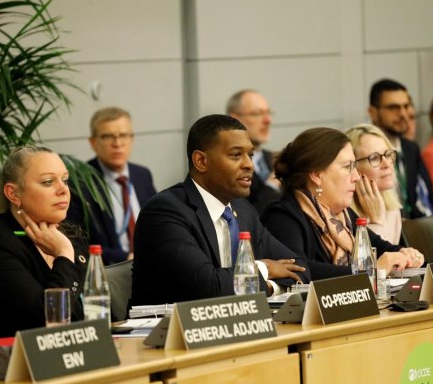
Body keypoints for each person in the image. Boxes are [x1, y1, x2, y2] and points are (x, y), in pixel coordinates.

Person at [130, 114, 309, 305]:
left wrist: (271, 287)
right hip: (166, 332)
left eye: (250, 155)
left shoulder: (242, 210)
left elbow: (300, 269)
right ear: (201, 161)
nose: (248, 165)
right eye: (235, 155)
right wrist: (263, 269)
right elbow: (210, 289)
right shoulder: (164, 212)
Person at [261, 128, 424, 281]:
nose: (356, 177)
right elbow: (301, 269)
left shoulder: (341, 215)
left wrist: (404, 253)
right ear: (317, 175)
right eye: (347, 167)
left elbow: (379, 246)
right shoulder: (283, 217)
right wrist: (371, 272)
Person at [0, 146, 87, 340]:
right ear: (13, 194)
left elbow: (92, 314)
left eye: (65, 180)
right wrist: (63, 255)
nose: (63, 190)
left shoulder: (69, 235)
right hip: (10, 366)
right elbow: (49, 320)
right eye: (48, 182)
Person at [67, 107, 156, 265]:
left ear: (132, 139)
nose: (117, 143)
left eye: (123, 135)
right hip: (111, 270)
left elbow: (159, 224)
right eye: (108, 136)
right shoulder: (80, 183)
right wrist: (126, 259)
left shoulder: (142, 175)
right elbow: (77, 243)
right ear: (93, 142)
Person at [368, 79, 433, 219]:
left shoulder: (411, 148)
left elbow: (430, 199)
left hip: (414, 233)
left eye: (406, 106)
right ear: (373, 112)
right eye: (394, 108)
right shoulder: (362, 153)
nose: (403, 114)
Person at [345, 124, 403, 244]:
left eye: (388, 154)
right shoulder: (343, 215)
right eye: (375, 158)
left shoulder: (393, 210)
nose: (387, 164)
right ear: (353, 168)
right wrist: (376, 222)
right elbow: (366, 262)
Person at [227, 90, 281, 214]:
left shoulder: (275, 159)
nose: (268, 120)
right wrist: (272, 184)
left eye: (268, 113)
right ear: (235, 119)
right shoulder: (226, 165)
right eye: (257, 114)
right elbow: (240, 216)